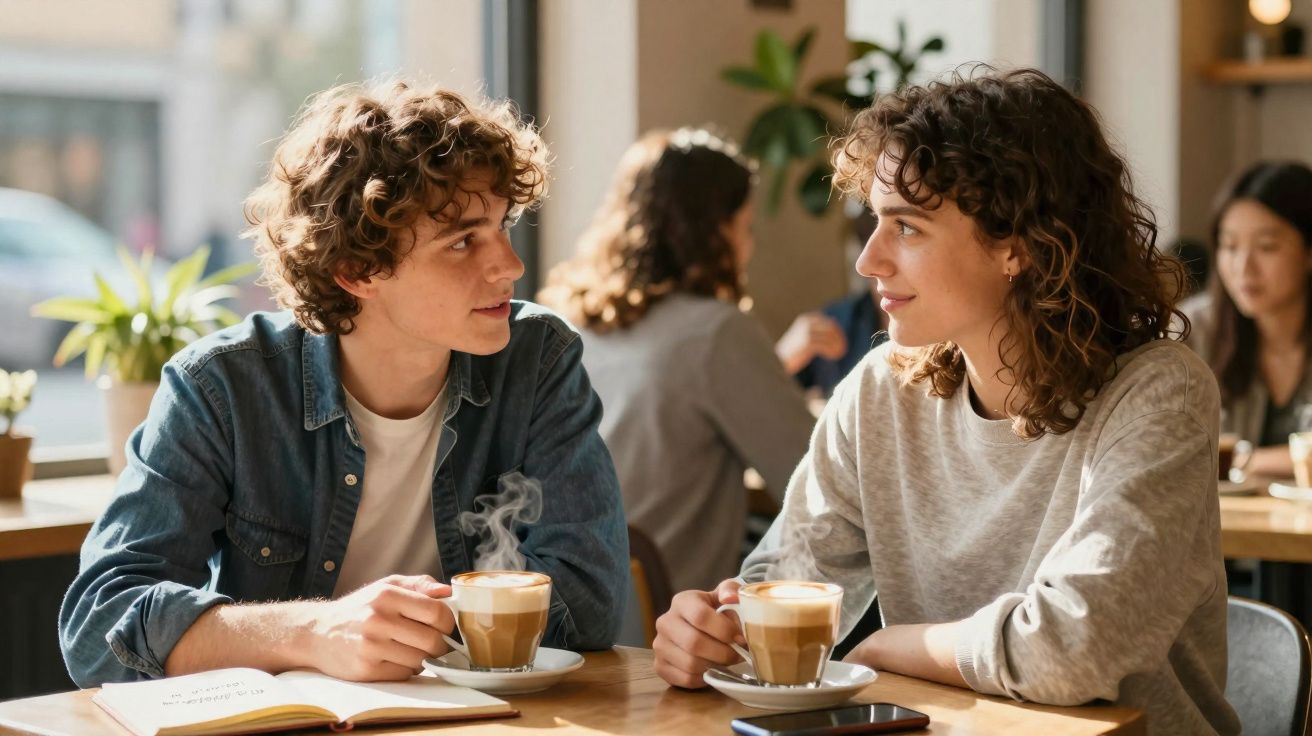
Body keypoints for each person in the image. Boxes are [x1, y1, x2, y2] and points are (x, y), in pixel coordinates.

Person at [652, 69, 1239, 735]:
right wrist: (719, 632)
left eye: (907, 228)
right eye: (875, 222)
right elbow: (784, 589)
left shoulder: (1159, 394)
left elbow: (1077, 649)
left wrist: (888, 648)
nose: (869, 261)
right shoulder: (879, 394)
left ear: (1017, 244)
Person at [59, 80, 628, 687]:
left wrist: (402, 630)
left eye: (501, 227)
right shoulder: (222, 387)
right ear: (357, 270)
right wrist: (317, 632)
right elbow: (99, 629)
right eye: (463, 241)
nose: (510, 266)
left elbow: (589, 605)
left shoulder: (537, 359)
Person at [539, 128, 815, 595]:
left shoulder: (572, 324)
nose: (748, 247)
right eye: (746, 228)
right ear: (716, 232)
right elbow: (817, 478)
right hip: (677, 629)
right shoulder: (717, 332)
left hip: (572, 606)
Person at [1182, 162, 1312, 477]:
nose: (1243, 267)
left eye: (1266, 247)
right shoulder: (1190, 331)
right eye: (1229, 246)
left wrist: (1245, 461)